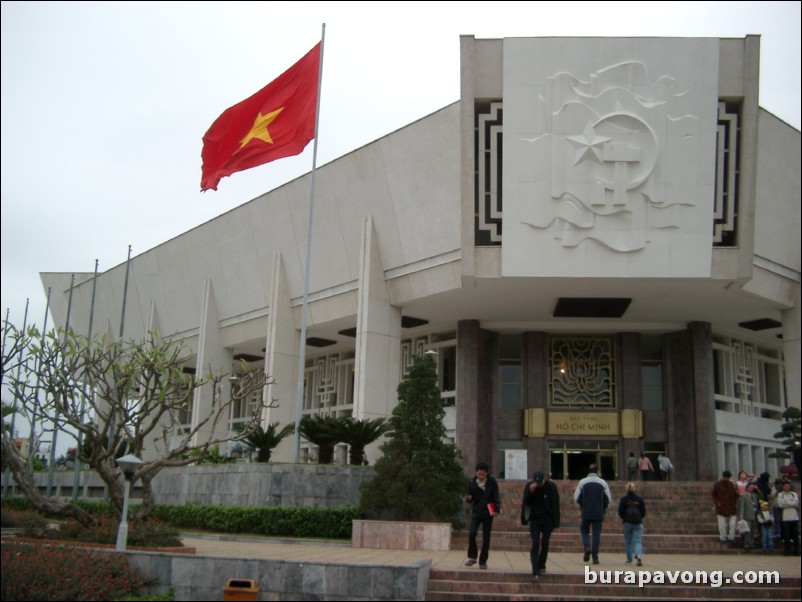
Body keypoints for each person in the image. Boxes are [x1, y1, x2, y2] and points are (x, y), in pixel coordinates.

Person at [520, 470, 560, 581]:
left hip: (548, 519)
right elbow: (525, 502)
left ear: (544, 479)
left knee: (545, 541)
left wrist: (556, 522)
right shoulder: (530, 485)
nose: (538, 484)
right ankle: (535, 571)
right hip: (535, 520)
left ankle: (542, 564)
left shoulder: (551, 486)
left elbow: (556, 504)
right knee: (535, 543)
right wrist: (530, 492)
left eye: (540, 482)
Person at [464, 461, 501, 569]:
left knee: (486, 538)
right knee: (472, 534)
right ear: (476, 472)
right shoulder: (471, 482)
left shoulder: (492, 482)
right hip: (476, 512)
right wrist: (468, 499)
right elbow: (469, 496)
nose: (480, 476)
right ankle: (472, 556)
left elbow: (496, 496)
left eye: (483, 474)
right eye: (479, 474)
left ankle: (483, 561)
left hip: (488, 512)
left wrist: (497, 509)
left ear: (486, 473)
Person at [573, 463, 612, 565]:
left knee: (584, 530)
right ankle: (595, 558)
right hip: (598, 513)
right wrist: (604, 509)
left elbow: (576, 497)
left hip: (586, 512)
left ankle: (587, 547)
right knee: (596, 535)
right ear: (597, 471)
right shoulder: (602, 483)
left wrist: (581, 506)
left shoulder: (583, 482)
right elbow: (608, 498)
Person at [618, 481, 646, 566]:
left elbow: (620, 511)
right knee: (637, 540)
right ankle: (638, 556)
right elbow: (643, 511)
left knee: (628, 541)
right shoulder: (639, 499)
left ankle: (629, 560)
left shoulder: (624, 499)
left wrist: (624, 518)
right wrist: (639, 518)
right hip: (637, 522)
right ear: (634, 489)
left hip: (627, 522)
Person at [711, 469, 739, 544]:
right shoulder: (717, 484)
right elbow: (713, 495)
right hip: (721, 507)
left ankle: (731, 537)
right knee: (722, 524)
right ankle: (723, 537)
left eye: (727, 477)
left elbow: (736, 495)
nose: (726, 479)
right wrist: (717, 503)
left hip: (731, 506)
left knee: (732, 524)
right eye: (725, 477)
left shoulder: (731, 485)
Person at [776, 480, 800, 556]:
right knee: (787, 535)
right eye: (785, 486)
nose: (787, 487)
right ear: (783, 487)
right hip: (785, 517)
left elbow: (796, 503)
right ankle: (787, 550)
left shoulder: (794, 494)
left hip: (794, 516)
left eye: (788, 486)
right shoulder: (780, 494)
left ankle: (797, 551)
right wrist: (790, 503)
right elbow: (780, 504)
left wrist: (787, 503)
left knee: (795, 535)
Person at [736, 482, 759, 549]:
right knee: (747, 531)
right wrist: (741, 514)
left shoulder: (754, 495)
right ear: (747, 488)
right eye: (750, 487)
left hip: (754, 514)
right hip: (747, 515)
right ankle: (746, 544)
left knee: (752, 530)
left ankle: (751, 543)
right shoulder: (744, 495)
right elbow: (742, 506)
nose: (751, 489)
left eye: (752, 487)